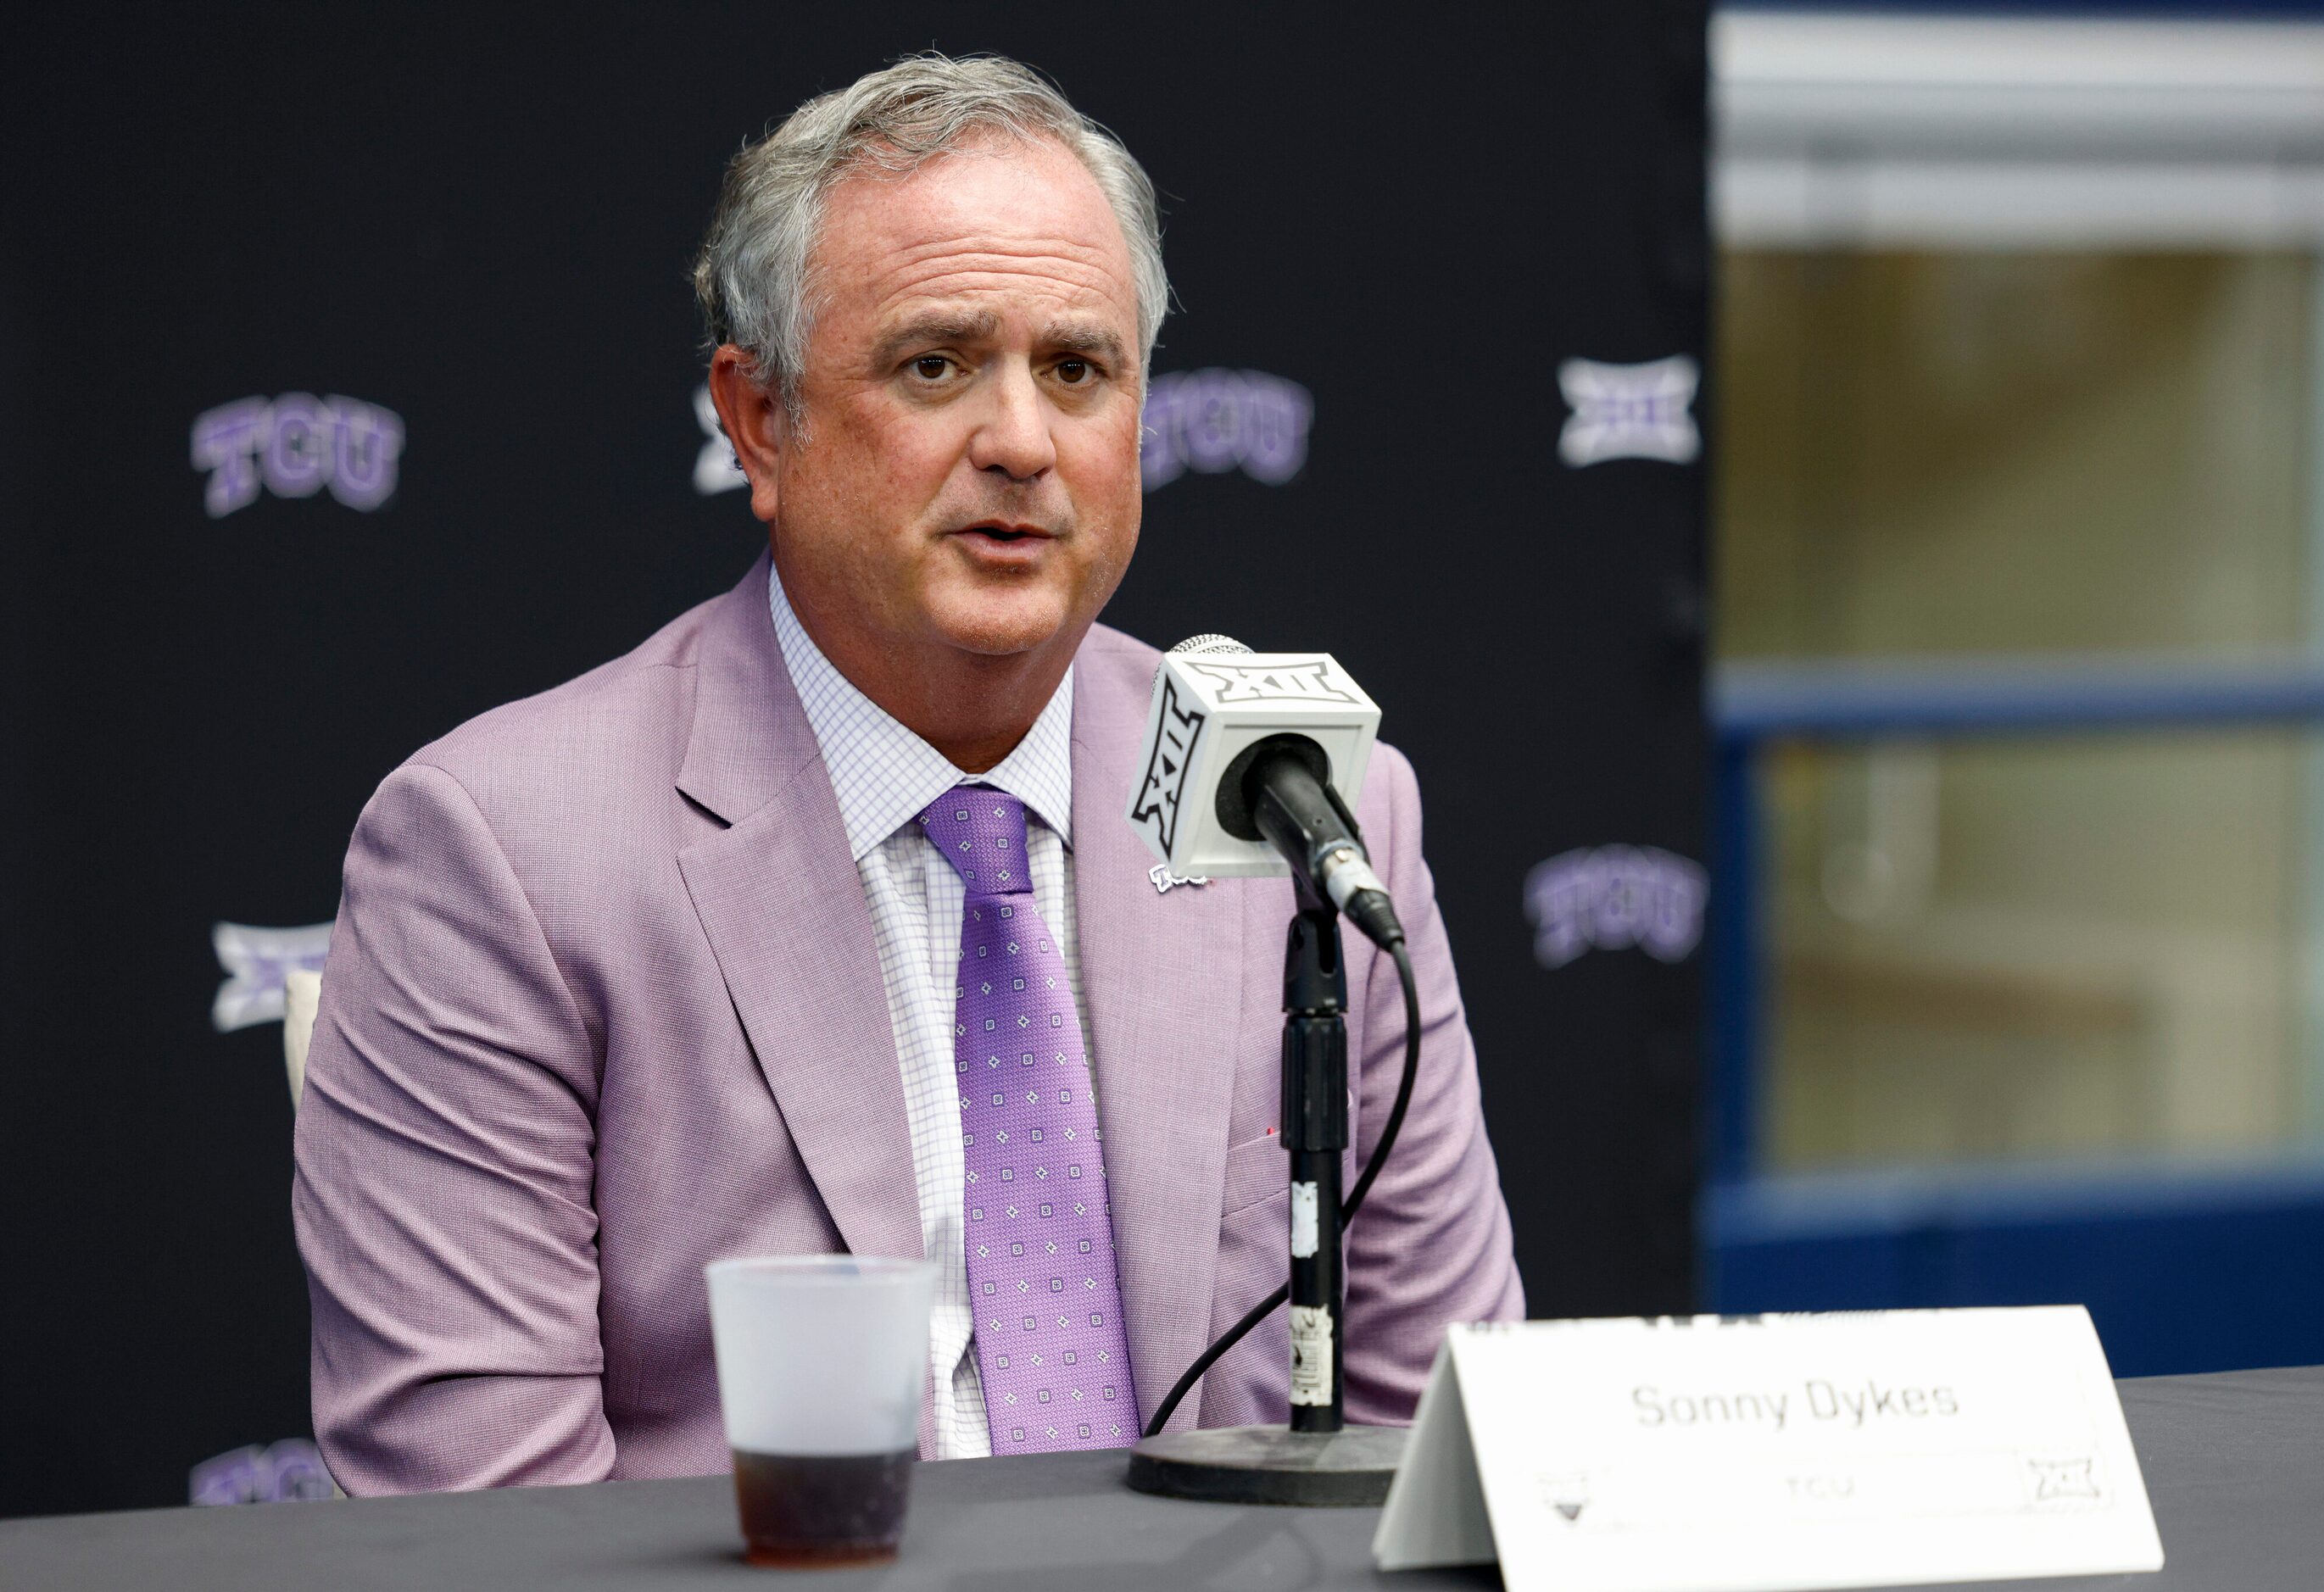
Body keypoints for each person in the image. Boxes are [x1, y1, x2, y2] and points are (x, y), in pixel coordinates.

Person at [293, 53, 1522, 1495]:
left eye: (1078, 369)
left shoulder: (1314, 810)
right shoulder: (502, 850)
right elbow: (484, 1531)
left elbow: (1441, 1455)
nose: (1020, 442)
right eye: (935, 364)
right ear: (760, 420)